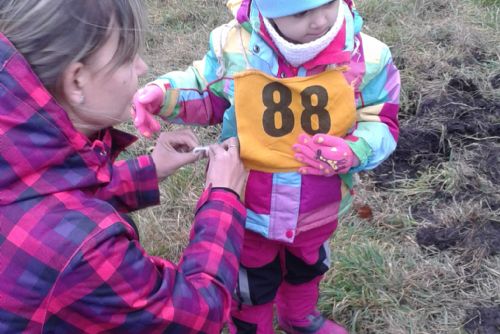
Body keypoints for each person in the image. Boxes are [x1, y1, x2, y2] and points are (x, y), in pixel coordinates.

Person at [133, 0, 400, 332]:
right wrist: (166, 95)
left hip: (317, 205)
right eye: (300, 12)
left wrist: (356, 149)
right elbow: (207, 90)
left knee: (308, 265)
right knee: (251, 278)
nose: (319, 20)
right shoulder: (235, 47)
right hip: (249, 207)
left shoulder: (367, 57)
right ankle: (251, 326)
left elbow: (380, 118)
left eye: (328, 3)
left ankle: (299, 317)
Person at [0, 1, 247, 333]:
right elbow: (200, 313)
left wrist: (151, 170)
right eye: (128, 58)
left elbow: (43, 194)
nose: (142, 67)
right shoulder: (86, 251)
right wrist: (223, 199)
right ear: (76, 81)